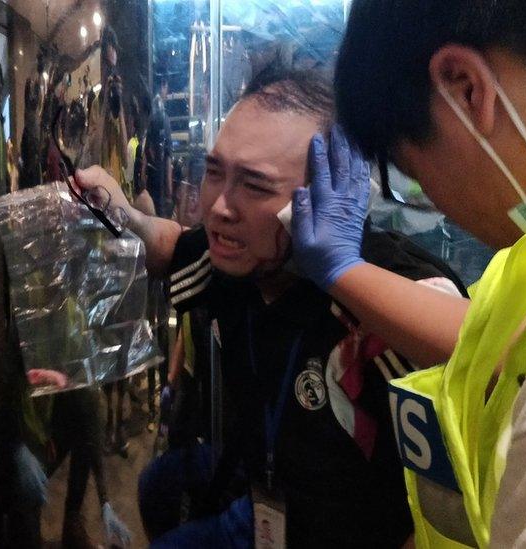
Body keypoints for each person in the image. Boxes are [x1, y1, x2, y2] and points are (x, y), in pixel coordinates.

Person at [293, 1, 526, 546]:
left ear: (464, 89)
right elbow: (508, 337)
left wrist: (341, 269)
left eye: (411, 176)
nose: (435, 203)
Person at [76, 65, 463, 547]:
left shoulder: (387, 291)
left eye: (256, 185)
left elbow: (496, 353)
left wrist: (341, 272)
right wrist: (120, 212)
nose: (219, 206)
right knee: (159, 487)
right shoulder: (240, 261)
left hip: (353, 534)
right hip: (269, 508)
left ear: (328, 196)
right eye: (216, 172)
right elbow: (173, 246)